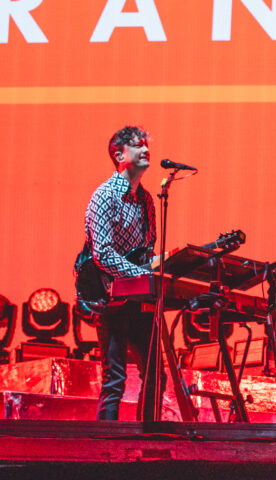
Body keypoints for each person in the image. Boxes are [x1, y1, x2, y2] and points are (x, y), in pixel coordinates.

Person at [84, 125, 159, 421]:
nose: (146, 150)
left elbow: (146, 250)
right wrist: (138, 275)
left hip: (140, 298)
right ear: (119, 156)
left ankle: (147, 438)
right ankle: (106, 444)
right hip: (111, 297)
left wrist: (157, 269)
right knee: (114, 379)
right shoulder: (104, 196)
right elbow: (102, 253)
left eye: (146, 145)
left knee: (155, 374)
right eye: (138, 146)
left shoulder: (147, 200)